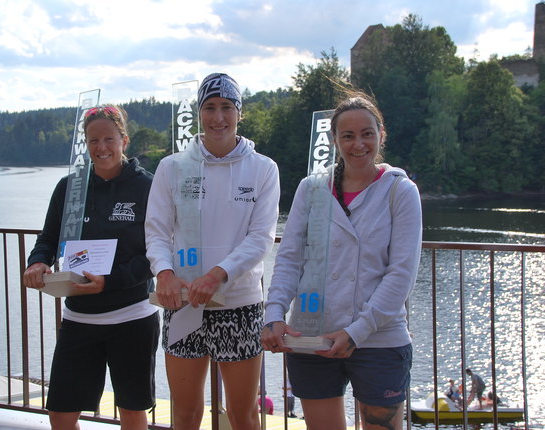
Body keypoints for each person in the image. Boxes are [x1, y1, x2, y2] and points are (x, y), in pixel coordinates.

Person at [261, 90, 422, 430]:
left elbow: (401, 275)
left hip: (378, 337)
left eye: (367, 133)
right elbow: (289, 259)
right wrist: (274, 314)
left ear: (381, 135)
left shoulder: (400, 191)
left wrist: (355, 332)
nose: (358, 144)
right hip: (312, 335)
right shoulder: (311, 189)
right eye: (347, 135)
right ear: (334, 140)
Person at [145, 73, 280, 430]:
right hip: (185, 302)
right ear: (199, 113)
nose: (218, 117)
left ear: (239, 113)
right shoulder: (172, 167)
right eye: (209, 108)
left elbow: (261, 237)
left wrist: (217, 275)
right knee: (186, 414)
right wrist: (165, 273)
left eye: (226, 107)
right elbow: (156, 231)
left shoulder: (264, 168)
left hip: (240, 305)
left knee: (243, 415)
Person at [23, 104, 159, 430]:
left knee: (132, 412)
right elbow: (48, 238)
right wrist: (38, 262)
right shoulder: (69, 188)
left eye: (109, 139)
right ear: (85, 144)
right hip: (79, 319)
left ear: (124, 140)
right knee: (61, 413)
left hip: (132, 317)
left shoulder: (147, 187)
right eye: (93, 140)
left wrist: (109, 283)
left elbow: (156, 254)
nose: (101, 148)